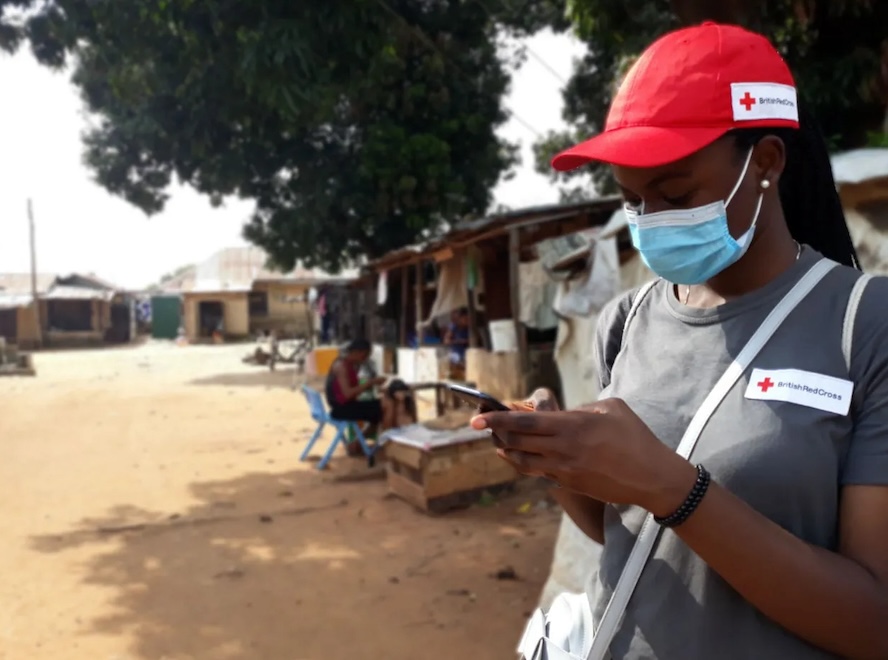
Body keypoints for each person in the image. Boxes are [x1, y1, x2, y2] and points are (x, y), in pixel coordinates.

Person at [473, 22, 888, 660]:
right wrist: (561, 463)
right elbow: (628, 533)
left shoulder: (864, 324)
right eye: (632, 200)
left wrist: (674, 487)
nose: (652, 221)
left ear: (767, 163)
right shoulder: (626, 320)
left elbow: (872, 623)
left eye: (675, 194)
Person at [325, 339, 415, 454]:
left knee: (378, 409)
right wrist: (370, 383)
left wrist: (372, 384)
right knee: (388, 404)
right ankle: (386, 443)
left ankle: (356, 444)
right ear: (357, 352)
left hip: (346, 405)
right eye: (365, 354)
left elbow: (352, 389)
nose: (366, 358)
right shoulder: (341, 366)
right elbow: (347, 394)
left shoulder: (350, 365)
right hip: (342, 409)